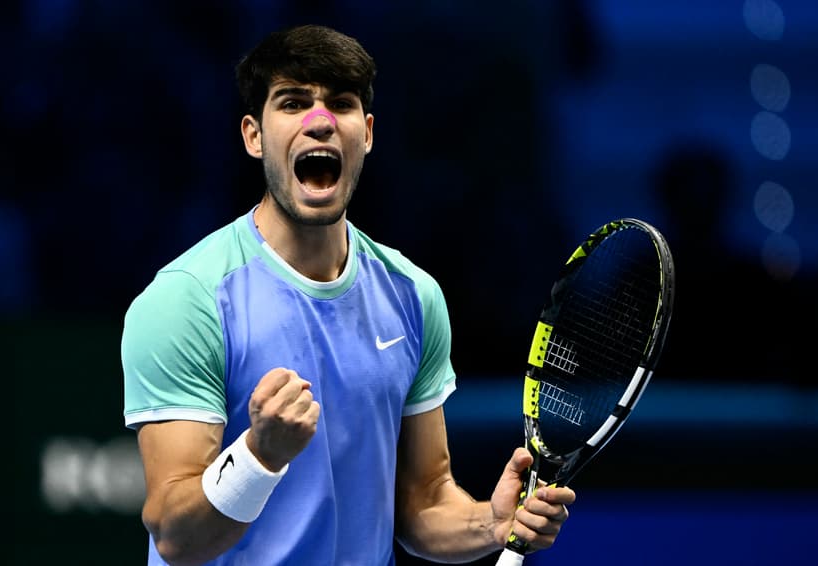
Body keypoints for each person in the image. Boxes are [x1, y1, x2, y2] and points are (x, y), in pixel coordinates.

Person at [122, 24, 576, 566]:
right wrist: (257, 456)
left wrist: (490, 523)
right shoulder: (187, 301)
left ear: (366, 133)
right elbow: (176, 537)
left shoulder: (413, 295)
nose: (319, 122)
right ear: (253, 136)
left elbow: (424, 503)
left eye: (340, 104)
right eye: (293, 103)